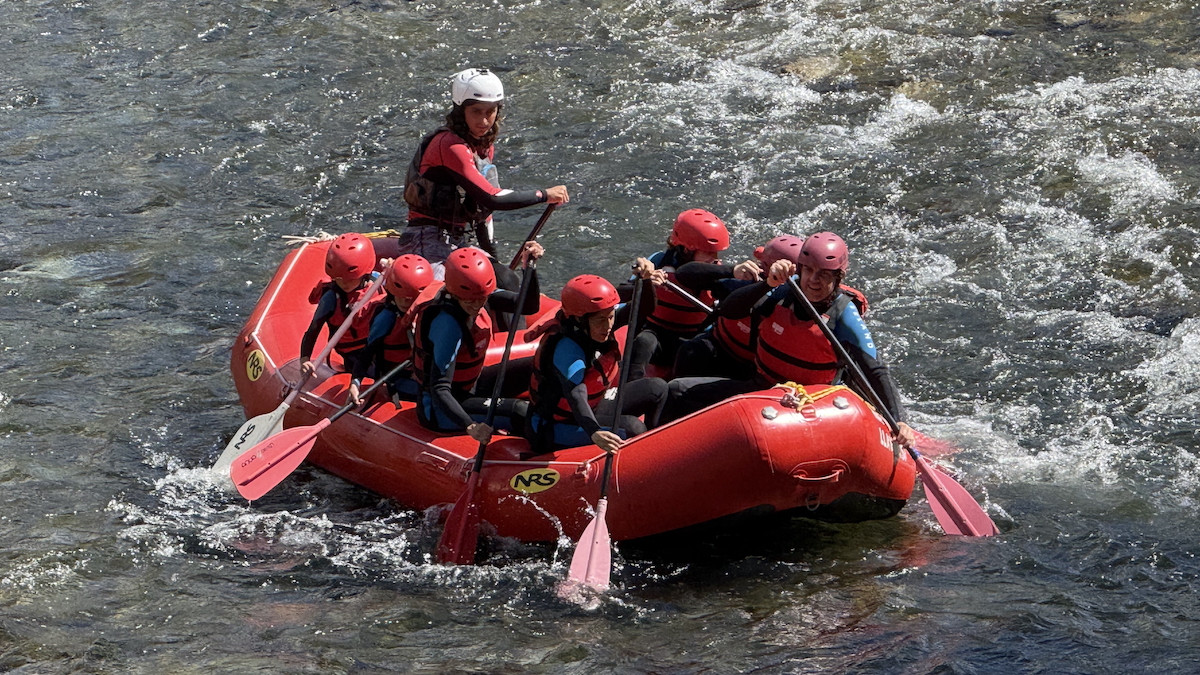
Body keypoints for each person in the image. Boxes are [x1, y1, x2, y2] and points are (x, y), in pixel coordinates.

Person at [664, 232, 916, 448]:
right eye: (808, 270)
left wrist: (898, 418)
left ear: (838, 277)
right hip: (764, 388)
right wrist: (767, 285)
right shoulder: (783, 291)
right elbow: (729, 311)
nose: (813, 280)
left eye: (824, 275)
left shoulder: (844, 314)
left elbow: (875, 369)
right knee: (677, 391)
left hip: (811, 404)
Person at [399, 67, 569, 290]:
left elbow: (481, 212)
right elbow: (492, 198)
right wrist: (543, 195)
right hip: (426, 238)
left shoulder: (483, 148)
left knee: (507, 280)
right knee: (454, 290)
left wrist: (493, 257)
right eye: (476, 111)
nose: (484, 120)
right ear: (461, 111)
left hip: (459, 239)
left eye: (491, 111)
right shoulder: (449, 145)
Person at [411, 243, 544, 443]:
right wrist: (470, 425)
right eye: (470, 301)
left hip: (472, 386)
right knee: (519, 411)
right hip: (443, 410)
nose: (477, 305)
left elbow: (528, 305)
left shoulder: (478, 294)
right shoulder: (447, 325)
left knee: (538, 366)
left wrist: (529, 268)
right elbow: (439, 388)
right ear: (455, 294)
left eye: (481, 299)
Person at [526, 274, 666, 453]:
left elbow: (643, 308)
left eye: (611, 317)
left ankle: (659, 448)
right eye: (601, 320)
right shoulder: (566, 347)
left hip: (595, 407)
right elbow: (576, 395)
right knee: (633, 428)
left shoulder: (600, 324)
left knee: (657, 388)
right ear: (579, 319)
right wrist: (595, 432)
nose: (608, 326)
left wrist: (646, 280)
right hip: (558, 425)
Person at [627, 208, 730, 380]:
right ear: (686, 249)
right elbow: (625, 293)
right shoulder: (659, 261)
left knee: (693, 351)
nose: (714, 258)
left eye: (716, 253)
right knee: (644, 342)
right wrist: (644, 281)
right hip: (656, 333)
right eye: (708, 252)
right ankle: (631, 391)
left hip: (691, 338)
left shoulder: (719, 273)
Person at [348, 254, 436, 405]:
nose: (404, 302)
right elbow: (367, 354)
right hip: (395, 377)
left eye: (410, 299)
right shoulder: (386, 319)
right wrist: (355, 383)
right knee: (436, 396)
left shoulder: (429, 311)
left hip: (421, 373)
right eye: (400, 296)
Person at [299, 232, 381, 379]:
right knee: (375, 374)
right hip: (353, 353)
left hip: (379, 346)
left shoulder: (378, 282)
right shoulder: (330, 298)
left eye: (349, 279)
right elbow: (313, 330)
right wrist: (305, 359)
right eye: (338, 279)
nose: (343, 283)